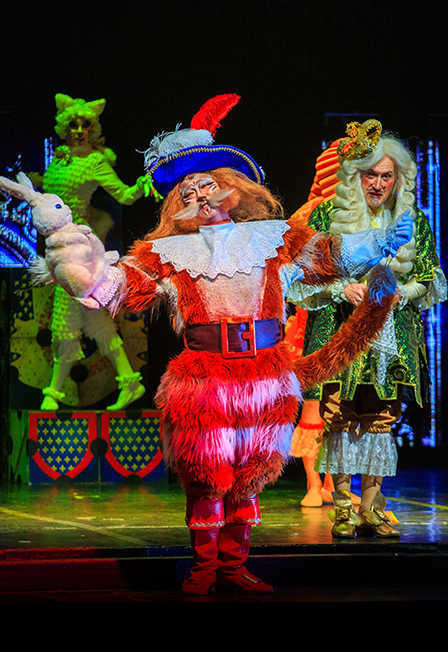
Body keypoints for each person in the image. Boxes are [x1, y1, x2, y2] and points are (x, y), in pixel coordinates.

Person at [39, 95, 413, 594]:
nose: (200, 195)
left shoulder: (272, 237)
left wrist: (382, 240)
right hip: (205, 378)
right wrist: (77, 264)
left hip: (265, 375)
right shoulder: (166, 252)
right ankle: (204, 569)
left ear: (232, 187)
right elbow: (117, 288)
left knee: (251, 475)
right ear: (177, 204)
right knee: (207, 475)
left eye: (207, 184)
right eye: (187, 190)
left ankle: (235, 566)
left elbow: (330, 256)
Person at [288, 119, 447, 538]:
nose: (378, 184)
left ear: (398, 179)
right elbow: (301, 276)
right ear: (355, 175)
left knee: (381, 419)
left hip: (391, 334)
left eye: (386, 176)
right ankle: (343, 507)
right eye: (370, 175)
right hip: (340, 331)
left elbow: (428, 277)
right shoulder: (326, 215)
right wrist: (341, 288)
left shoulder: (411, 220)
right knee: (340, 416)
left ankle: (372, 507)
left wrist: (400, 293)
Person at [31, 94, 160, 411]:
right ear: (65, 128)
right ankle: (129, 381)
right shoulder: (61, 159)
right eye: (74, 125)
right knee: (95, 320)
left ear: (92, 128)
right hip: (60, 248)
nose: (79, 130)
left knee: (63, 321)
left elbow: (124, 195)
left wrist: (145, 184)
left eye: (85, 125)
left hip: (76, 251)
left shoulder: (95, 162)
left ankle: (53, 394)